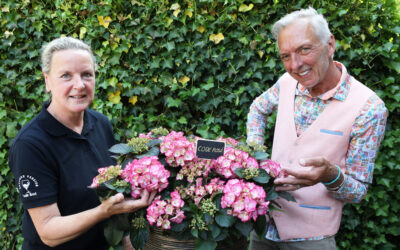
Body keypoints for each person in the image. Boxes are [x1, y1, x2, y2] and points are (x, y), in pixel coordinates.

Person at [246, 7, 387, 249]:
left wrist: (330, 175)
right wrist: (255, 158)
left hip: (312, 239)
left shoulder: (369, 107)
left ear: (330, 45)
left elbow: (357, 192)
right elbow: (258, 109)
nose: (295, 65)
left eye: (304, 49)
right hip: (263, 224)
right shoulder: (287, 83)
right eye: (285, 56)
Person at [9, 37, 155, 249]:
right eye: (66, 76)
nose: (79, 85)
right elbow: (49, 232)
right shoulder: (31, 144)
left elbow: (115, 191)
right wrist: (103, 212)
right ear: (47, 81)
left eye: (87, 74)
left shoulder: (100, 123)